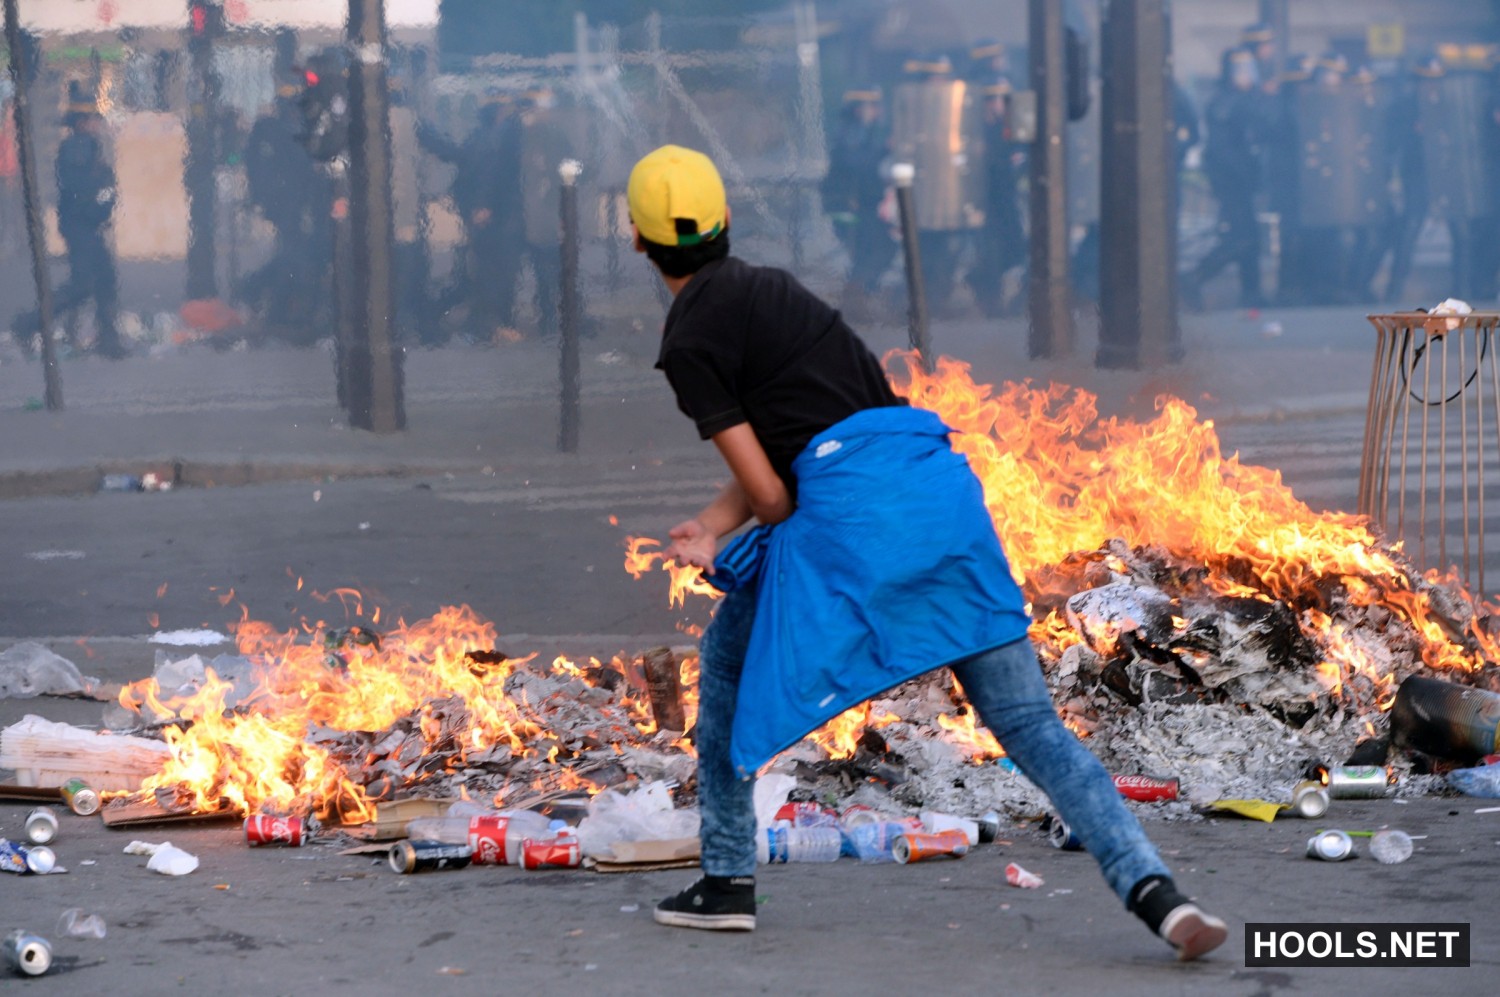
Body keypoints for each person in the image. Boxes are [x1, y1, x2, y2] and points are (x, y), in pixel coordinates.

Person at [628, 144, 1228, 961]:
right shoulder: (775, 288)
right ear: (726, 221)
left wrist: (716, 537)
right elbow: (812, 433)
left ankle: (726, 878)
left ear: (637, 240)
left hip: (855, 527)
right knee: (1031, 727)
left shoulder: (689, 340)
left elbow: (773, 496)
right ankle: (1157, 891)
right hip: (938, 506)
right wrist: (711, 520)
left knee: (729, 677)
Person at [13, 87, 124, 358]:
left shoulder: (86, 146)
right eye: (93, 120)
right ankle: (29, 324)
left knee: (104, 279)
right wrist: (101, 201)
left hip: (86, 223)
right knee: (83, 284)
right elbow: (84, 189)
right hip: (81, 224)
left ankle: (109, 341)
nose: (98, 124)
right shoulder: (78, 147)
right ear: (81, 123)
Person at [238, 75, 334, 341]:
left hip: (294, 203)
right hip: (290, 203)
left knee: (295, 252)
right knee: (295, 254)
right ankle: (275, 306)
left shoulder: (275, 128)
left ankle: (263, 296)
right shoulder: (279, 129)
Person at [419, 96, 522, 342]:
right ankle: (490, 323)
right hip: (494, 216)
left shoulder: (481, 136)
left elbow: (461, 159)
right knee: (494, 271)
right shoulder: (495, 139)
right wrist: (483, 205)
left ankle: (474, 318)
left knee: (481, 269)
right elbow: (489, 173)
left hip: (484, 213)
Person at [1183, 47, 1267, 311]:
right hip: (1231, 181)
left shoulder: (1247, 99)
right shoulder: (1225, 103)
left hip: (1242, 179)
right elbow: (1224, 151)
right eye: (1240, 71)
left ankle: (1252, 292)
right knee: (1241, 237)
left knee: (1249, 236)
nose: (1247, 77)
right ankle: (1194, 278)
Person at [821, 86, 891, 318]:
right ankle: (855, 301)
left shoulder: (862, 131)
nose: (878, 111)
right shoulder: (852, 132)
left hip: (858, 204)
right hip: (849, 206)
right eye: (873, 106)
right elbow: (857, 164)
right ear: (860, 108)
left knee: (873, 250)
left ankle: (859, 298)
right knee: (869, 250)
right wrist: (883, 151)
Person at [965, 76, 1025, 317]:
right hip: (985, 202)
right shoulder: (977, 130)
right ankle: (990, 302)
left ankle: (987, 290)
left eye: (1001, 99)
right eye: (992, 99)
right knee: (990, 253)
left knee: (1014, 249)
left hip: (1007, 201)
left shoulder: (1010, 128)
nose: (997, 104)